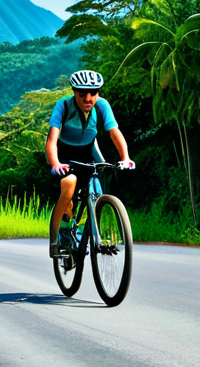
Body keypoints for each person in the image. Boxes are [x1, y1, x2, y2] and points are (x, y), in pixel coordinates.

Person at [45, 70, 135, 258]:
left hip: (89, 151)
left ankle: (94, 234)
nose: (88, 98)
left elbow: (114, 132)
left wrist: (125, 158)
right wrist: (56, 164)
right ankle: (58, 236)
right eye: (82, 94)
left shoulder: (102, 105)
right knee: (69, 184)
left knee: (99, 188)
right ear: (74, 91)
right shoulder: (62, 105)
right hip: (64, 156)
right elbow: (52, 141)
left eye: (93, 93)